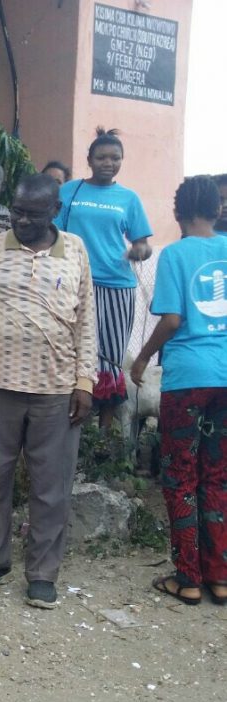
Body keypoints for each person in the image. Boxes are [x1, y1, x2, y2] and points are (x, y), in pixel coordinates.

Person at [0, 173, 96, 610]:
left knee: (52, 486)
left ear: (55, 211)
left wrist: (85, 382)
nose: (23, 221)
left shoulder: (75, 250)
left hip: (57, 388)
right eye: (17, 211)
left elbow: (86, 321)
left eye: (34, 214)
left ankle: (43, 573)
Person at [130, 175, 227, 605]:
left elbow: (171, 320)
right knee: (218, 475)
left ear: (177, 212)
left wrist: (142, 358)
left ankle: (187, 578)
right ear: (217, 210)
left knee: (180, 475)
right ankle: (220, 577)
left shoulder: (174, 254)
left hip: (188, 378)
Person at [54, 127, 152, 430]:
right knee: (71, 349)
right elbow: (54, 234)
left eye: (115, 158)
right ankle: (74, 424)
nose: (109, 163)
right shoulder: (69, 191)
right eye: (102, 157)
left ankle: (104, 433)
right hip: (72, 281)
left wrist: (139, 251)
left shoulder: (129, 198)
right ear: (89, 160)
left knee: (109, 356)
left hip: (116, 285)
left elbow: (143, 243)